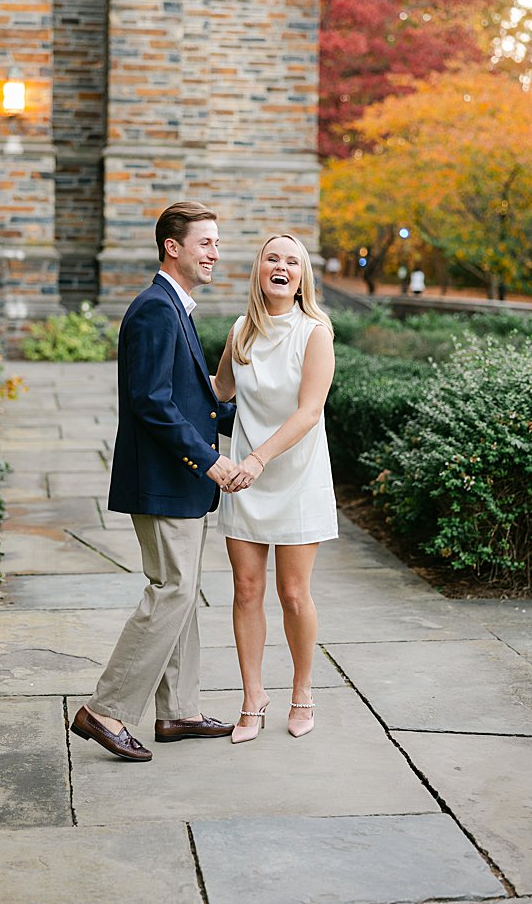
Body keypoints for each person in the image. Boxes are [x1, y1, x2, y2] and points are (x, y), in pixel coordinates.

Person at [72, 201, 238, 761]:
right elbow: (151, 404)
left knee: (183, 596)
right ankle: (105, 708)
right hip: (168, 481)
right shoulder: (154, 310)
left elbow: (194, 403)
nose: (216, 253)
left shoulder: (175, 309)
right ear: (174, 247)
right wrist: (209, 460)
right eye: (207, 243)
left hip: (181, 482)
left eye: (216, 243)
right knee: (170, 592)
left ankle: (179, 711)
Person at [212, 233, 338, 743]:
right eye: (272, 257)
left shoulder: (315, 333)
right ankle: (252, 697)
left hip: (295, 476)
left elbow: (310, 410)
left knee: (292, 593)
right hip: (244, 479)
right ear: (259, 270)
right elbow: (218, 391)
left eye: (292, 260)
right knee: (246, 591)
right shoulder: (240, 330)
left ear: (302, 276)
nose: (281, 265)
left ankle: (302, 690)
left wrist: (260, 457)